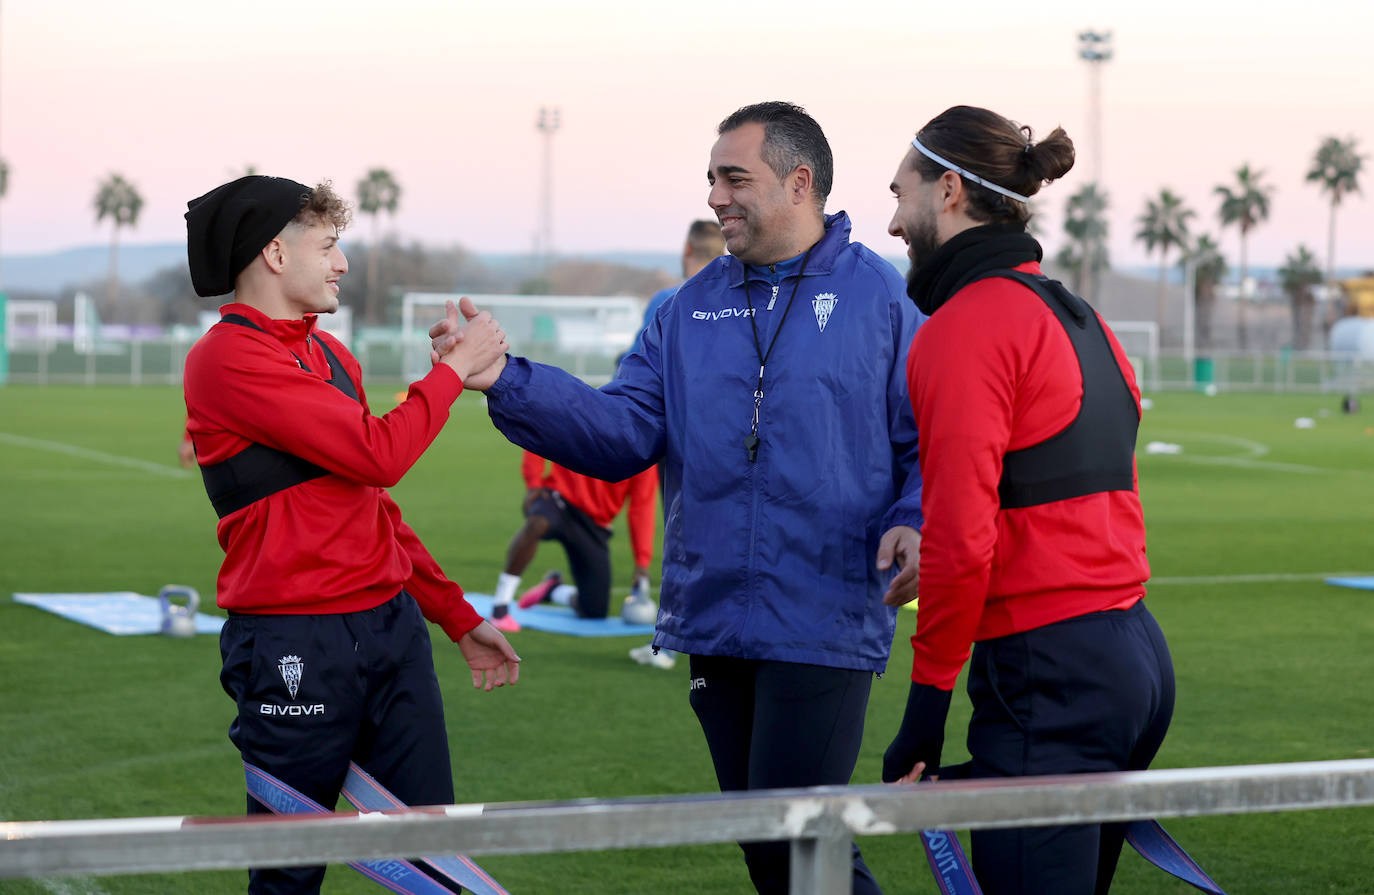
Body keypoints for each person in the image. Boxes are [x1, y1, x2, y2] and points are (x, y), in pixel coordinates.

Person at [433, 101, 924, 895]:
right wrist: (505, 380)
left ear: (800, 183)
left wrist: (914, 519)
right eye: (711, 180)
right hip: (714, 615)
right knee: (770, 849)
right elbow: (622, 430)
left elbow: (927, 441)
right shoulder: (685, 309)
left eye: (736, 178)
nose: (715, 197)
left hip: (823, 613)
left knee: (799, 846)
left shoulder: (882, 299)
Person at [182, 175, 521, 895]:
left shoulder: (335, 357)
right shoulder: (225, 358)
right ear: (275, 253)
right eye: (330, 246)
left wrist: (456, 617)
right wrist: (454, 371)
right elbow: (382, 453)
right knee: (289, 871)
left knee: (436, 855)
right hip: (293, 643)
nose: (342, 264)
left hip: (393, 633)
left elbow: (373, 504)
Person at [881, 106, 1174, 895]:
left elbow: (964, 537)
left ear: (948, 191)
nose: (892, 221)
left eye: (900, 194)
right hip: (1134, 658)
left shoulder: (964, 327)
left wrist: (926, 706)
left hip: (1052, 673)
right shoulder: (1080, 316)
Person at [624, 218, 724, 668]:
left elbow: (635, 377)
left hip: (680, 442)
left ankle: (668, 641)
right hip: (735, 443)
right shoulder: (746, 299)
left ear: (687, 248)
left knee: (681, 537)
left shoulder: (669, 301)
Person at [488, 450, 658, 632]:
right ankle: (500, 606)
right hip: (558, 500)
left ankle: (554, 590)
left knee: (594, 610)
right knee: (537, 524)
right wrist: (534, 484)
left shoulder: (643, 451)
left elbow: (641, 508)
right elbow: (540, 433)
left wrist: (642, 562)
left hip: (595, 525)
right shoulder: (588, 420)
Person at [626, 218, 726, 355]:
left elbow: (638, 359)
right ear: (723, 255)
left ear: (688, 249)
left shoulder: (667, 301)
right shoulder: (735, 302)